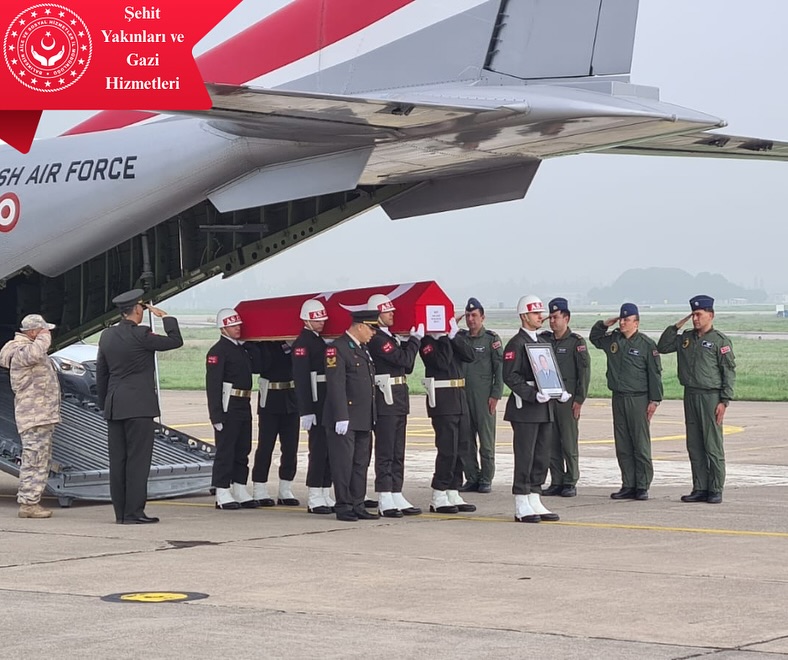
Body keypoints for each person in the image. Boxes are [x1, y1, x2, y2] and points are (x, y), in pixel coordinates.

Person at [96, 289, 183, 524]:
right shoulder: (142, 334)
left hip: (115, 406)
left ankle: (121, 513)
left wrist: (106, 403)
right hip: (139, 407)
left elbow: (101, 374)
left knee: (118, 462)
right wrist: (166, 318)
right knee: (138, 461)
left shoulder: (106, 336)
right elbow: (175, 341)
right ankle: (134, 512)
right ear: (137, 309)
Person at [657, 295, 735, 504]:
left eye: (699, 315)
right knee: (695, 444)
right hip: (690, 394)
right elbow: (663, 346)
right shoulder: (686, 337)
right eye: (693, 315)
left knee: (712, 445)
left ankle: (715, 488)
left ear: (711, 315)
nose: (696, 319)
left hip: (711, 396)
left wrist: (724, 400)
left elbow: (728, 371)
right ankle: (700, 487)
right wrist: (677, 324)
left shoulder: (720, 341)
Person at [503, 295, 569, 523]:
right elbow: (510, 376)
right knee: (526, 455)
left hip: (544, 406)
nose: (541, 316)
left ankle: (534, 495)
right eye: (535, 313)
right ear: (524, 316)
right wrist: (532, 394)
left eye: (541, 312)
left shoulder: (542, 341)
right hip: (526, 408)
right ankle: (521, 500)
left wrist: (558, 390)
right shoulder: (516, 343)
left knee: (542, 454)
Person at [589, 303, 663, 501]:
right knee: (623, 444)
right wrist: (605, 323)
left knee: (640, 443)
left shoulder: (646, 345)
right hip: (618, 397)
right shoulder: (613, 340)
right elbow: (594, 337)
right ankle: (628, 483)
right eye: (621, 319)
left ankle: (642, 484)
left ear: (636, 323)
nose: (622, 322)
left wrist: (654, 400)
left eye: (627, 319)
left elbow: (654, 375)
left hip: (638, 398)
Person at [366, 294, 423, 517]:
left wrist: (409, 342)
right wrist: (415, 340)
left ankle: (395, 491)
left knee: (398, 450)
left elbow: (406, 369)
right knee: (386, 450)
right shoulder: (378, 339)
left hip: (398, 397)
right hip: (385, 398)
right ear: (376, 314)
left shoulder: (390, 337)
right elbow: (405, 361)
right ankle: (384, 495)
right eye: (387, 311)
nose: (392, 314)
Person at [0, 314, 61, 519]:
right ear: (34, 332)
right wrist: (43, 337)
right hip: (34, 414)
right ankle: (29, 503)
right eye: (43, 330)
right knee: (35, 459)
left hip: (40, 414)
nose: (47, 334)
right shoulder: (22, 350)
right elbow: (35, 353)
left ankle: (31, 500)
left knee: (39, 458)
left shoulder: (23, 349)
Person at [323, 309, 379, 522]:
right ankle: (344, 505)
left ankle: (357, 503)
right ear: (360, 326)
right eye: (371, 329)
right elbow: (336, 384)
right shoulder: (337, 349)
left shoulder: (362, 349)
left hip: (363, 417)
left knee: (360, 463)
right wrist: (341, 415)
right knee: (343, 464)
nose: (373, 333)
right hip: (345, 418)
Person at [420, 315, 477, 515]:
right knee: (447, 448)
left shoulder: (453, 338)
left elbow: (470, 355)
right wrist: (443, 338)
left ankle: (453, 490)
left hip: (459, 398)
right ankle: (439, 493)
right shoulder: (427, 342)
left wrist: (453, 336)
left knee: (462, 446)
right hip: (443, 401)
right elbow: (442, 363)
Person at [206, 308, 259, 510]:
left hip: (243, 404)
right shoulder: (218, 352)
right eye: (233, 325)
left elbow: (259, 366)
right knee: (226, 450)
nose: (238, 328)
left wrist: (251, 346)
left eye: (238, 325)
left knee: (242, 448)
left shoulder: (240, 349)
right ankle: (222, 490)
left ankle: (239, 487)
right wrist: (216, 415)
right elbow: (213, 385)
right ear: (223, 327)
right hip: (229, 405)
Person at [541, 298, 591, 498]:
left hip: (568, 399)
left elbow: (584, 372)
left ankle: (570, 480)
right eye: (550, 317)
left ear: (566, 318)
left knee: (568, 442)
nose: (552, 321)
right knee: (551, 441)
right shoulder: (545, 340)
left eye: (556, 317)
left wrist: (579, 399)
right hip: (549, 398)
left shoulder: (576, 343)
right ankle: (557, 480)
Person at [292, 299, 334, 515]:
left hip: (325, 401)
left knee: (327, 449)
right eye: (317, 320)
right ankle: (314, 495)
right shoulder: (303, 344)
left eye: (322, 320)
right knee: (317, 450)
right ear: (306, 320)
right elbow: (301, 379)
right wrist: (306, 409)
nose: (321, 323)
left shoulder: (318, 341)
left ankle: (325, 491)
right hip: (315, 403)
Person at [457, 297, 503, 494]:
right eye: (467, 315)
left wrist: (496, 394)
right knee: (466, 441)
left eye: (474, 315)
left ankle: (486, 478)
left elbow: (499, 369)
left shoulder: (491, 340)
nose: (470, 319)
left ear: (482, 317)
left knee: (486, 440)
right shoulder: (460, 339)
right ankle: (472, 477)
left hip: (484, 397)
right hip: (463, 396)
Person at [249, 340, 301, 507]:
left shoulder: (296, 344)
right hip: (270, 399)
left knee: (290, 447)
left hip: (291, 399)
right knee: (265, 447)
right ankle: (260, 487)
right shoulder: (264, 344)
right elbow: (259, 366)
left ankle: (285, 488)